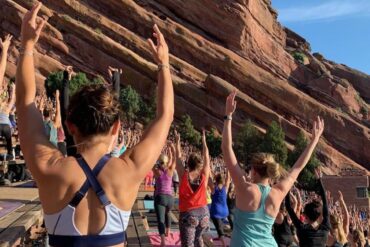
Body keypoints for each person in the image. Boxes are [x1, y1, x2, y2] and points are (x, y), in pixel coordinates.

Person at [16, 3, 173, 247]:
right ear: (116, 128)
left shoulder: (50, 168)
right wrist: (163, 63)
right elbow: (165, 116)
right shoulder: (128, 171)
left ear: (69, 126)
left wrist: (26, 46)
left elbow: (26, 104)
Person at [221, 91, 324, 247]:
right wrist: (314, 140)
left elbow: (227, 148)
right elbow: (298, 167)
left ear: (253, 171)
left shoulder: (244, 187)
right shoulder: (278, 192)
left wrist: (228, 116)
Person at [176, 130, 210, 247]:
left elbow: (178, 157)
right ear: (199, 165)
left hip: (189, 214)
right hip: (205, 213)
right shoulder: (204, 175)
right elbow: (206, 155)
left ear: (188, 163)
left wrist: (177, 142)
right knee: (198, 238)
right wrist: (203, 140)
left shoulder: (183, 175)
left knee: (188, 244)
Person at [285, 168, 330, 247]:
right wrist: (319, 180)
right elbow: (325, 203)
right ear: (319, 215)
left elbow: (288, 206)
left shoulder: (302, 229)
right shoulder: (325, 229)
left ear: (305, 216)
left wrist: (289, 182)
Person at [153, 147, 176, 246]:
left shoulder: (157, 171)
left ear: (159, 162)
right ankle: (168, 231)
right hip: (170, 198)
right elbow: (174, 158)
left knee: (160, 220)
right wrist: (172, 149)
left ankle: (163, 241)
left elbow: (151, 161)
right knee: (168, 213)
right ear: (167, 162)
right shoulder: (170, 170)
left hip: (160, 197)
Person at [209, 171, 231, 246]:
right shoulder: (226, 188)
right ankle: (220, 236)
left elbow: (209, 179)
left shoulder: (214, 188)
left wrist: (208, 170)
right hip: (225, 211)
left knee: (220, 230)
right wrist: (228, 169)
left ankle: (224, 244)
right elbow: (228, 179)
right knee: (220, 225)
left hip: (216, 212)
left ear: (216, 180)